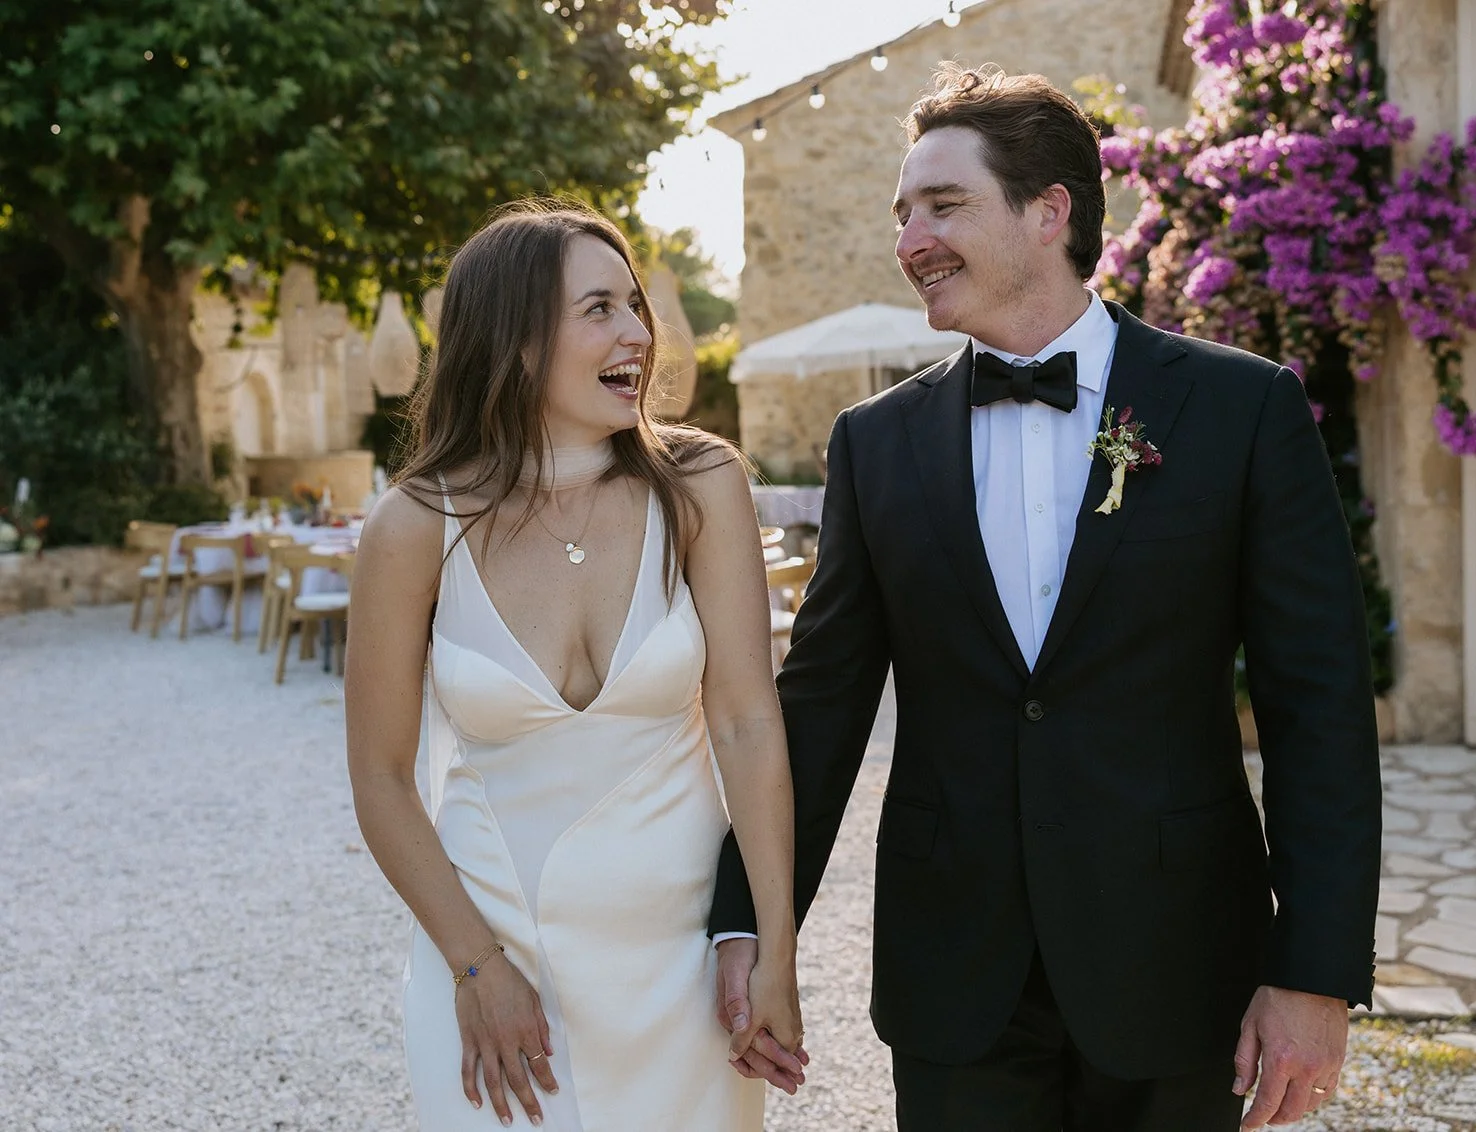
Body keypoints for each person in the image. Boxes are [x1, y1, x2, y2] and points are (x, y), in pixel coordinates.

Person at [711, 65, 1381, 1131]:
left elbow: (1320, 708)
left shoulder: (1241, 409)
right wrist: (746, 921)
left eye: (943, 205)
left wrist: (1314, 970)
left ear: (1048, 211)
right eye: (901, 215)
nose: (910, 240)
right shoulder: (874, 444)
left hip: (1177, 959)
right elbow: (821, 706)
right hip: (955, 972)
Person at [345, 200, 806, 1131]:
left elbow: (748, 724)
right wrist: (476, 968)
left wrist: (774, 948)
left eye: (635, 305)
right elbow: (382, 780)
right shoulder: (414, 525)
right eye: (600, 309)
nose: (639, 332)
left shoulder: (701, 485)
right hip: (492, 962)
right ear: (515, 343)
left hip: (683, 973)